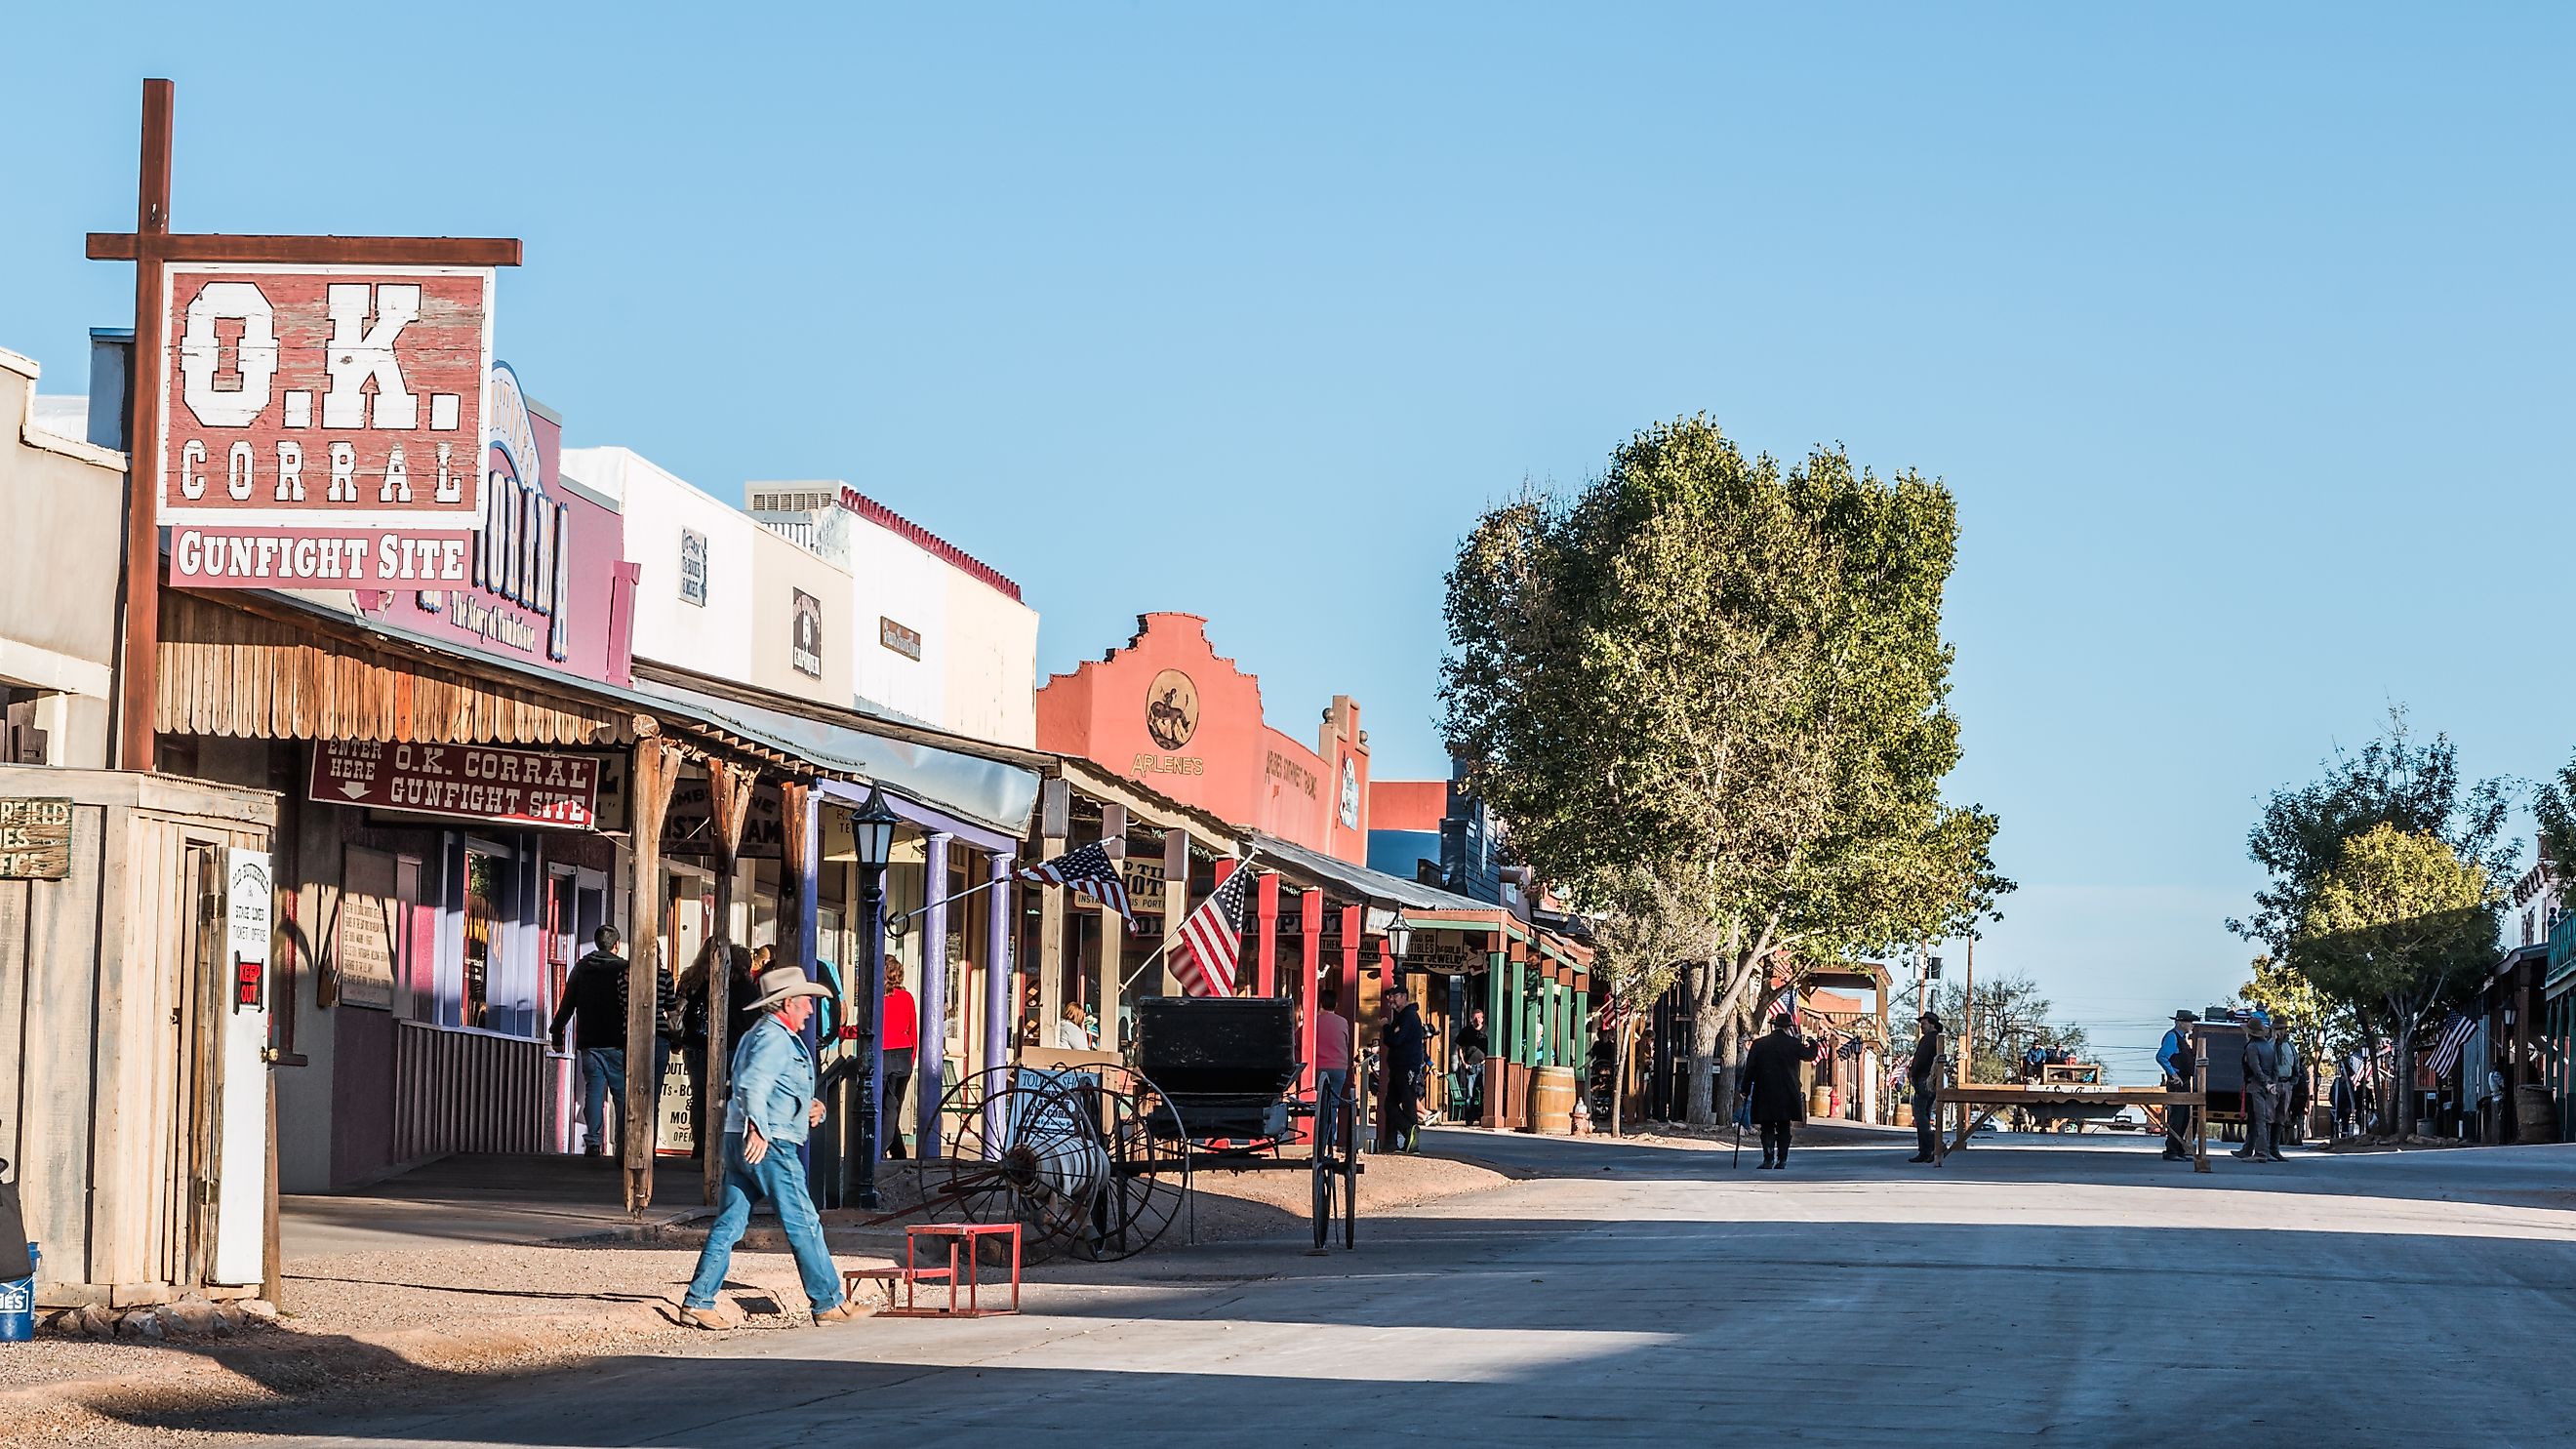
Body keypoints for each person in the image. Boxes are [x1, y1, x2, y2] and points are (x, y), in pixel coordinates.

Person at [679, 963, 857, 1330]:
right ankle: (827, 1302)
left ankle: (698, 1300)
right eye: (806, 1000)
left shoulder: (761, 1033)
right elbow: (751, 1083)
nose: (810, 1008)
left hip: (740, 1136)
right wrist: (759, 1128)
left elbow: (769, 1086)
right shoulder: (776, 1037)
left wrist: (810, 1107)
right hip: (770, 1142)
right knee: (803, 1221)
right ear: (788, 1003)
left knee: (730, 1222)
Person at [550, 926, 634, 1157]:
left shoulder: (581, 967)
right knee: (621, 1093)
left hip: (589, 1040)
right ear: (616, 945)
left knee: (594, 1091)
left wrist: (557, 1032)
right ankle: (624, 1142)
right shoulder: (623, 969)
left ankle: (594, 1141)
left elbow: (567, 1003)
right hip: (617, 1040)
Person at [1739, 1014, 1808, 1169]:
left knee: (1767, 1126)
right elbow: (1810, 1056)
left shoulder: (1759, 1044)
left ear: (1773, 1026)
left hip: (1765, 1090)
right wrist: (1814, 1044)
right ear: (1787, 1027)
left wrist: (1745, 1088)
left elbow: (1750, 1068)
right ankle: (1782, 1160)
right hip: (1788, 1091)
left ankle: (1768, 1159)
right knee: (1784, 1125)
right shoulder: (1794, 1044)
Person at [1384, 986, 1432, 1151]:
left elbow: (1395, 1040)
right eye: (1390, 996)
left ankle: (1409, 1131)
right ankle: (1407, 1141)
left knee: (1401, 1103)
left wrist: (1386, 1028)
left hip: (1405, 1067)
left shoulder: (1408, 1016)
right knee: (1397, 1103)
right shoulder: (1404, 1016)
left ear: (1404, 996)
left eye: (1395, 996)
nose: (1392, 999)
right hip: (1400, 1066)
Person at [881, 963, 919, 1159]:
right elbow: (913, 1031)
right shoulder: (907, 998)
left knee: (882, 1108)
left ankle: (878, 1152)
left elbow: (869, 1027)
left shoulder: (878, 999)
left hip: (883, 1053)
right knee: (893, 1106)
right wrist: (911, 1058)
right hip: (903, 1054)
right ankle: (898, 1152)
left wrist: (843, 1032)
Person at [1311, 985, 1353, 1153]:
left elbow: (1298, 1042)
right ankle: (1330, 1137)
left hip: (1318, 1067)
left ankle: (1318, 1138)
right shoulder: (1343, 1022)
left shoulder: (1314, 1022)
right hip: (1338, 1067)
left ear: (1320, 1003)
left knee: (1319, 1102)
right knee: (1333, 1104)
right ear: (1335, 1004)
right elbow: (1346, 1043)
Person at [2235, 1016, 2283, 1162]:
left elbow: (2255, 1068)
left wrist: (2265, 1083)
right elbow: (2275, 1068)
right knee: (2265, 1119)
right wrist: (2272, 1083)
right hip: (2268, 1086)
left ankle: (2261, 1152)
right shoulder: (2268, 1047)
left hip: (2256, 1086)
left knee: (2259, 1120)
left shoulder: (2252, 1047)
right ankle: (2261, 1150)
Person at [2156, 1010, 2199, 1161]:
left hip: (2184, 1081)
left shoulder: (2182, 1039)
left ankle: (2178, 1149)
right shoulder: (2172, 1037)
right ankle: (2172, 1150)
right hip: (2177, 1083)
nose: (2191, 1025)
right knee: (2177, 1117)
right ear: (2181, 1023)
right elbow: (2161, 1056)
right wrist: (2173, 1074)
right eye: (2189, 1022)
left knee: (2184, 1117)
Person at [1908, 1012, 1946, 1164]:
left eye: (1923, 1024)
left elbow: (1920, 1060)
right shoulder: (1937, 1040)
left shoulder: (1928, 1039)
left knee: (1920, 1116)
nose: (1921, 1027)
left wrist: (1912, 1073)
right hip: (1932, 1081)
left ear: (1931, 1024)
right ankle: (1925, 1151)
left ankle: (1935, 1143)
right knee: (1925, 1115)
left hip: (1924, 1080)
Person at [1455, 1007, 1490, 1123]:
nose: (1477, 1020)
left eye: (1479, 1018)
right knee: (1470, 1094)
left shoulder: (1487, 1031)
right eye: (1475, 1018)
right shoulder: (1466, 1031)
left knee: (1484, 1092)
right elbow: (1459, 1047)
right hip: (1470, 1066)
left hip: (1483, 1065)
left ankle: (1482, 1117)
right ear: (1471, 1019)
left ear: (1483, 1019)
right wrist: (1463, 1062)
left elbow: (1492, 1048)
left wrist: (1487, 1060)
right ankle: (1469, 1118)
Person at [2329, 1060, 2357, 1140]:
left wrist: (2349, 1106)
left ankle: (2344, 1139)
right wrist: (2332, 1101)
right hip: (2336, 1106)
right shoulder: (2336, 1081)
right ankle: (2334, 1138)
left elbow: (2352, 1095)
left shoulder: (2350, 1084)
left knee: (2345, 1124)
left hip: (2345, 1107)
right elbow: (2332, 1092)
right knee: (2334, 1122)